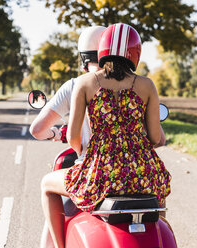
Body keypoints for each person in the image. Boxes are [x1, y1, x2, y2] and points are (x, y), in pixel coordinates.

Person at [40, 23, 171, 248]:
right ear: (135, 53)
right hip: (143, 176)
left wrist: (86, 155)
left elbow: (73, 137)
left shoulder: (84, 83)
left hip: (101, 177)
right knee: (158, 190)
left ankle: (60, 246)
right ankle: (159, 230)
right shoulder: (147, 85)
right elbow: (156, 139)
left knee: (46, 184)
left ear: (101, 51)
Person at [30, 26, 106, 248]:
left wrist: (55, 133)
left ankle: (57, 245)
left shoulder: (76, 85)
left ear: (84, 57)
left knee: (48, 187)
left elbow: (37, 130)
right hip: (130, 172)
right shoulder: (135, 85)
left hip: (92, 173)